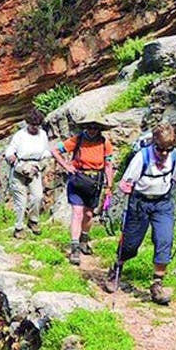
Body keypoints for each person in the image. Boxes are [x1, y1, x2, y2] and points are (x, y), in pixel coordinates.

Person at [103, 124, 176, 305]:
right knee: (130, 244)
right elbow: (124, 183)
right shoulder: (141, 157)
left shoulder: (175, 156)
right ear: (154, 144)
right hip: (140, 203)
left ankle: (157, 284)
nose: (164, 153)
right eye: (160, 149)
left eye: (168, 149)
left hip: (163, 203)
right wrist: (126, 187)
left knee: (164, 239)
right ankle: (117, 268)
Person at [50, 110, 116, 265]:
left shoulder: (104, 143)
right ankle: (74, 248)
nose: (92, 130)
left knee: (88, 214)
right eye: (90, 127)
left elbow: (108, 165)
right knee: (77, 212)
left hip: (95, 182)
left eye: (95, 127)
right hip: (78, 179)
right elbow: (55, 150)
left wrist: (109, 186)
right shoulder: (77, 140)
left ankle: (84, 238)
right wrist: (66, 165)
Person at [3, 107, 51, 238]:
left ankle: (33, 220)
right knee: (21, 200)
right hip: (20, 166)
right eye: (32, 125)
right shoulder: (20, 135)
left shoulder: (43, 135)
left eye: (37, 125)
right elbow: (10, 150)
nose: (35, 128)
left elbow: (46, 151)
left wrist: (41, 165)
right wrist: (10, 156)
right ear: (28, 123)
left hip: (35, 167)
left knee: (38, 196)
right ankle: (19, 227)